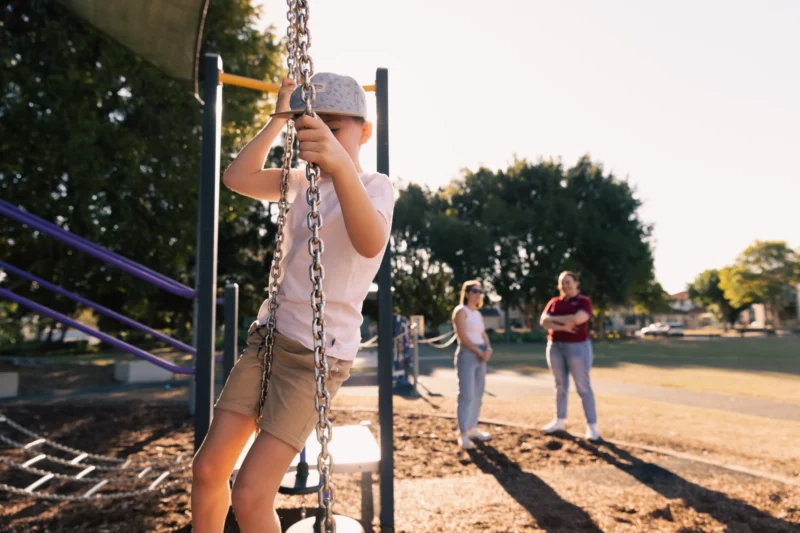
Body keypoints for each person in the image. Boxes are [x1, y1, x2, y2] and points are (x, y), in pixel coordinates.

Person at [191, 73, 395, 533]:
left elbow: (369, 242)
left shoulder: (375, 186)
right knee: (207, 471)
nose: (318, 141)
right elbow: (236, 178)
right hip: (268, 340)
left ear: (363, 132)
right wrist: (278, 118)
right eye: (309, 130)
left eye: (334, 130)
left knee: (250, 494)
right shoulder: (299, 182)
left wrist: (340, 166)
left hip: (316, 359)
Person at [539, 271, 600, 441]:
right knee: (560, 385)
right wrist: (564, 326)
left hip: (578, 348)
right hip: (555, 346)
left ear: (576, 283)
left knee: (583, 387)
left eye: (568, 282)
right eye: (562, 283)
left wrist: (555, 320)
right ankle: (559, 421)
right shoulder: (554, 302)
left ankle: (592, 426)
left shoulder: (583, 301)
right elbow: (543, 321)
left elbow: (579, 318)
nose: (565, 286)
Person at [452, 280, 493, 450]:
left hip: (481, 354)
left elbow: (482, 333)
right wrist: (477, 351)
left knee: (477, 395)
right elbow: (462, 335)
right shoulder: (461, 311)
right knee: (466, 395)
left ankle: (472, 428)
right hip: (468, 355)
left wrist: (488, 348)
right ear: (467, 293)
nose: (477, 294)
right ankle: (462, 434)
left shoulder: (477, 313)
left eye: (479, 291)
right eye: (474, 290)